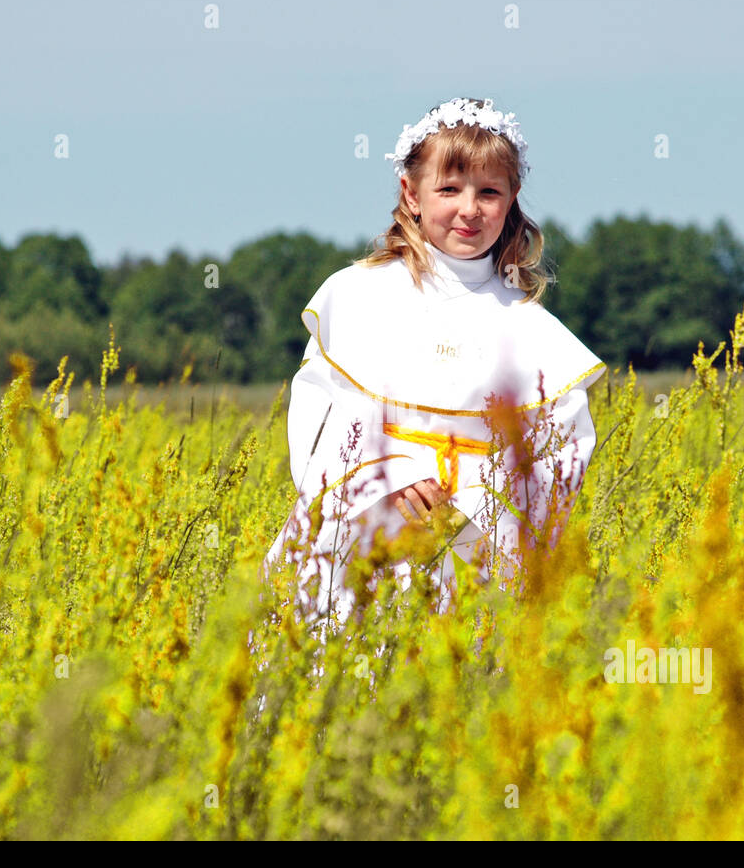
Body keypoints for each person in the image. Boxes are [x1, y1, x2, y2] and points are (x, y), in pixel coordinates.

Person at [260, 96, 606, 628]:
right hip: (357, 537)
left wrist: (474, 502)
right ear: (411, 193)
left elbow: (560, 448)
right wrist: (386, 479)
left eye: (489, 192)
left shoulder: (530, 327)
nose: (470, 209)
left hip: (475, 552)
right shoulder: (358, 296)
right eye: (449, 189)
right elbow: (319, 414)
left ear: (511, 200)